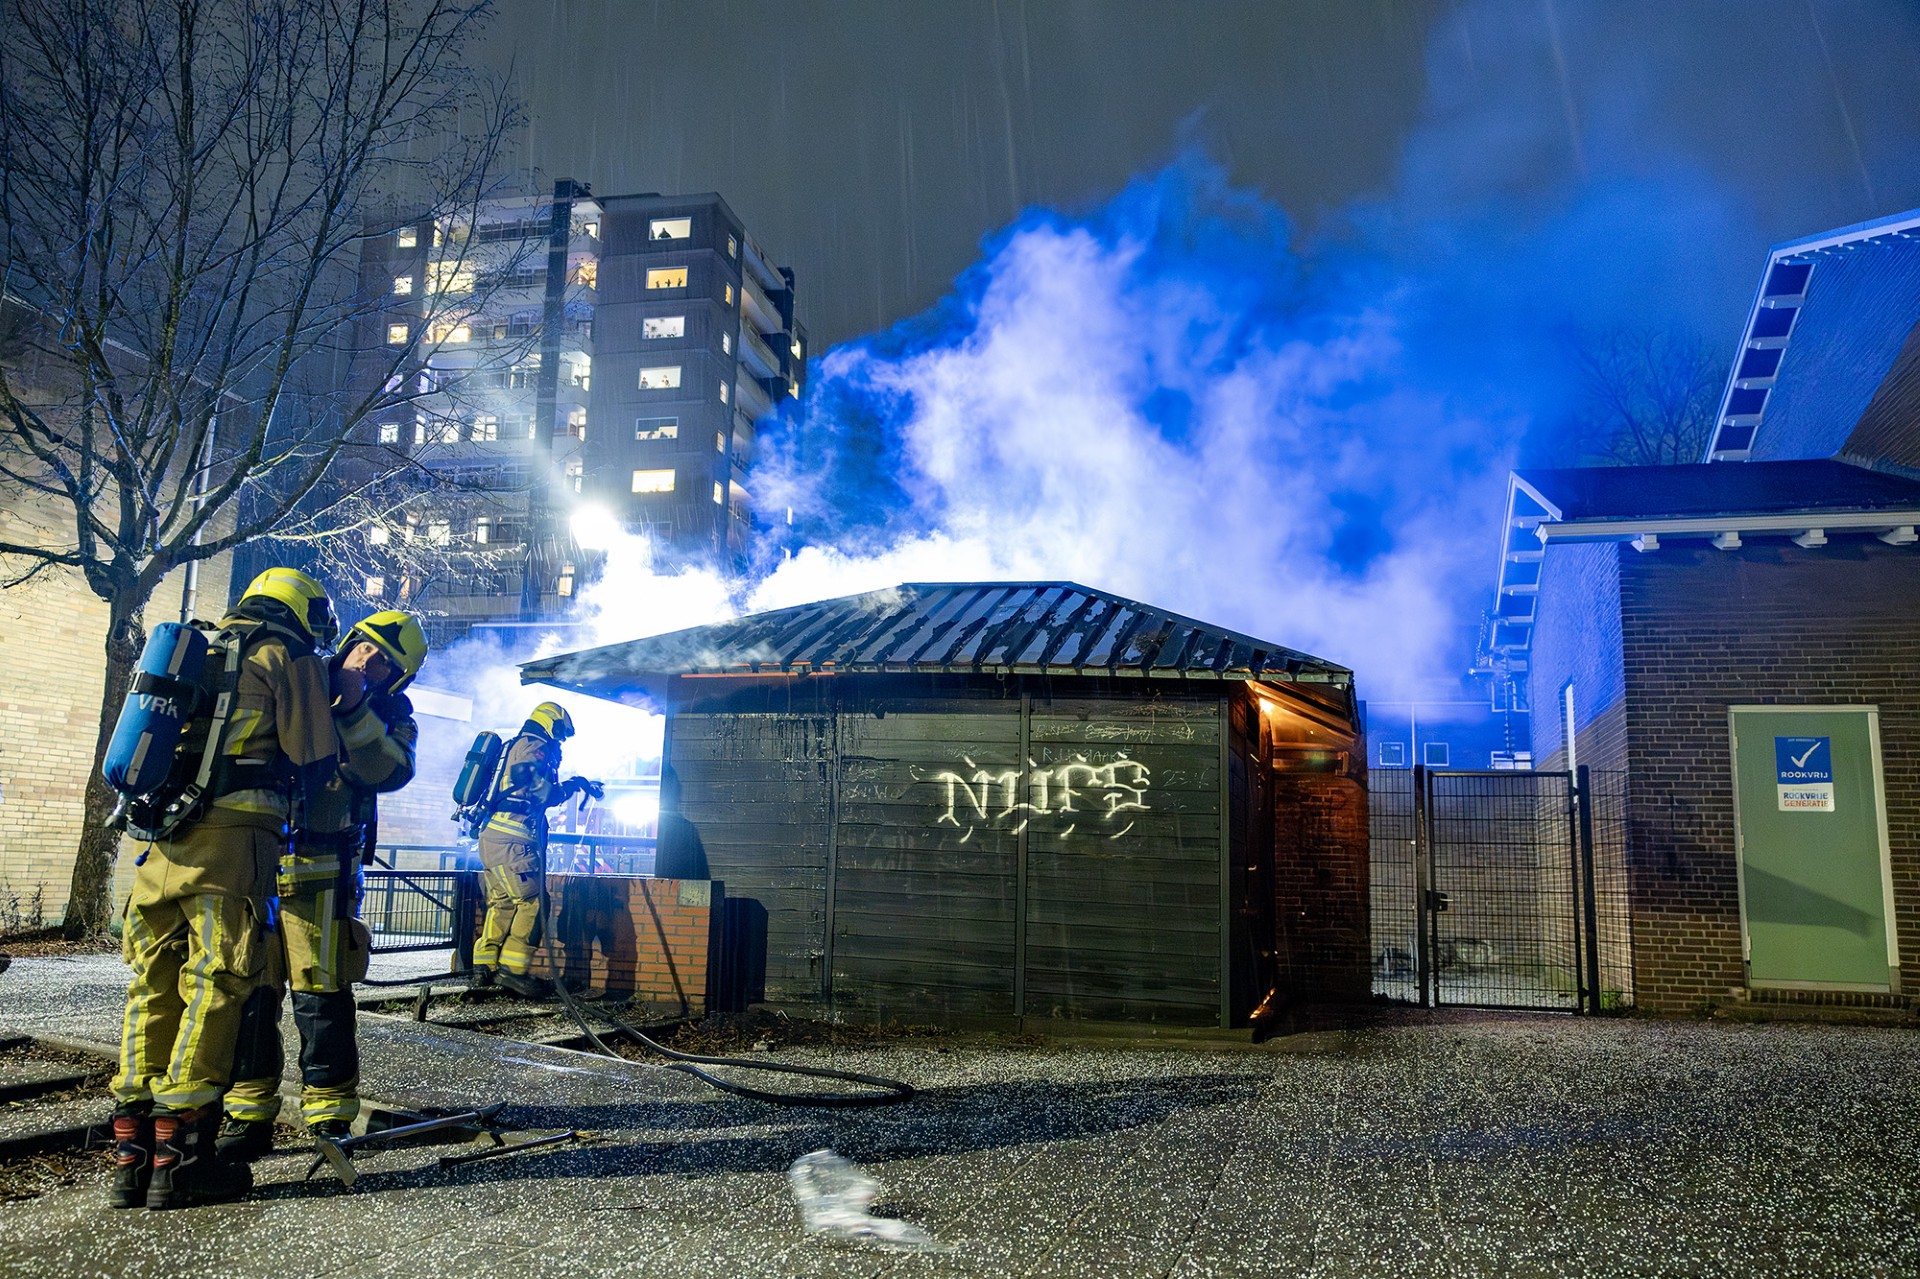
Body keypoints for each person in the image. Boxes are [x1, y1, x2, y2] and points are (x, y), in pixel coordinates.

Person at [109, 568, 339, 1210]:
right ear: (303, 610)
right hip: (233, 843)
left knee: (150, 985)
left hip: (163, 842)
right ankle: (182, 1160)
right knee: (219, 984)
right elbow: (313, 759)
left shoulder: (200, 647)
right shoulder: (287, 653)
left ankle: (131, 1156)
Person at [216, 610, 427, 1162]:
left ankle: (330, 1116)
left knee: (322, 997)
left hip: (325, 881)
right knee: (252, 994)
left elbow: (388, 770)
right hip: (260, 868)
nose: (367, 662)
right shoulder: (297, 679)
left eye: (385, 663)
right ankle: (247, 1116)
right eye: (365, 648)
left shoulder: (391, 715)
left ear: (395, 679)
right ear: (350, 641)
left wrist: (356, 707)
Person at [472, 701, 602, 998]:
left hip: (495, 837)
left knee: (503, 903)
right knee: (534, 902)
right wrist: (569, 787)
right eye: (560, 733)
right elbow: (535, 788)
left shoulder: (517, 744)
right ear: (549, 723)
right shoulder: (533, 746)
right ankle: (513, 971)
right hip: (513, 841)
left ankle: (485, 967)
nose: (560, 740)